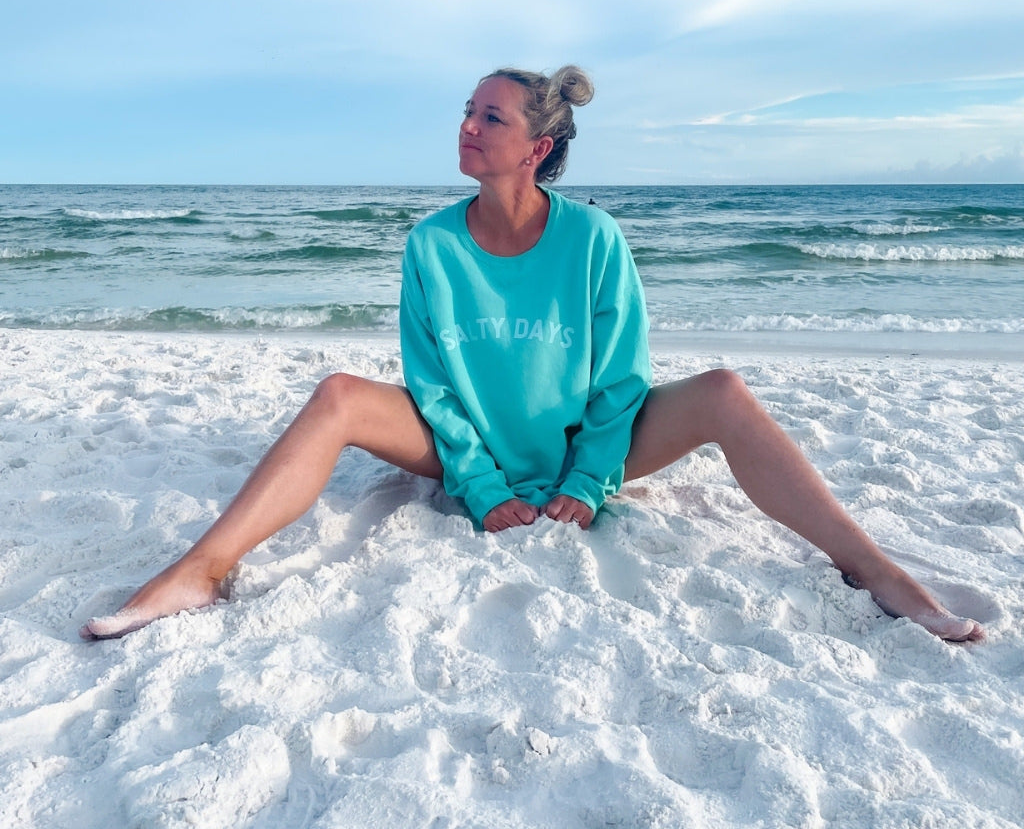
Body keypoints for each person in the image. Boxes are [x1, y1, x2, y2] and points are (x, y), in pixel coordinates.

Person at [81, 66, 984, 643]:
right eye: (468, 113)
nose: (469, 127)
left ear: (538, 147)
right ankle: (201, 572)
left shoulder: (594, 239)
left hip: (587, 454)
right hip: (469, 453)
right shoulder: (431, 244)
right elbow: (431, 383)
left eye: (491, 117)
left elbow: (623, 379)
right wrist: (481, 490)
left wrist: (586, 486)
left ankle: (874, 568)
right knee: (338, 396)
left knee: (722, 390)